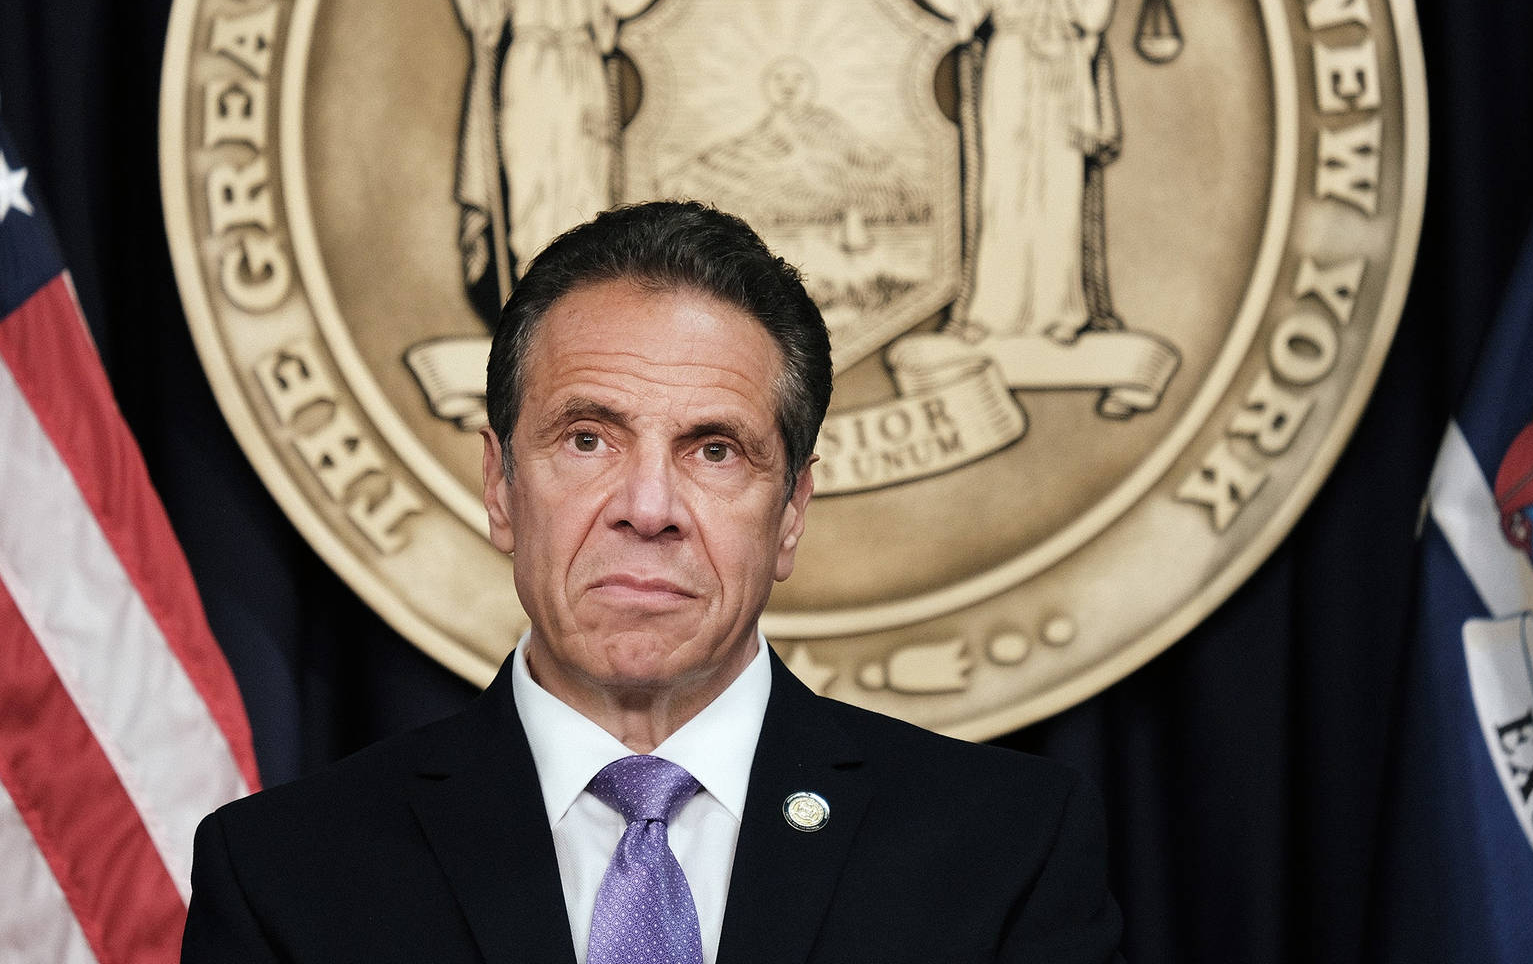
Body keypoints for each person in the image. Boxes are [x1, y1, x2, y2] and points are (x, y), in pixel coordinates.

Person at [181, 201, 1124, 962]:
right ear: (501, 485)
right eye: (588, 439)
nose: (647, 505)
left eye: (714, 450)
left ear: (792, 509)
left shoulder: (1004, 854)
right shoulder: (288, 875)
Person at [867, 0, 1118, 345]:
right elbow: (957, 6)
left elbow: (1093, 15)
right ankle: (994, 311)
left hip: (1062, 73)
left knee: (1059, 188)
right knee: (1003, 188)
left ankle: (1060, 309)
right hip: (1012, 65)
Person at [445, 0, 705, 282]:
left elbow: (621, 3)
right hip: (530, 76)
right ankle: (531, 289)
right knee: (531, 182)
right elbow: (481, 24)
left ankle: (578, 288)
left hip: (582, 78)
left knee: (584, 184)